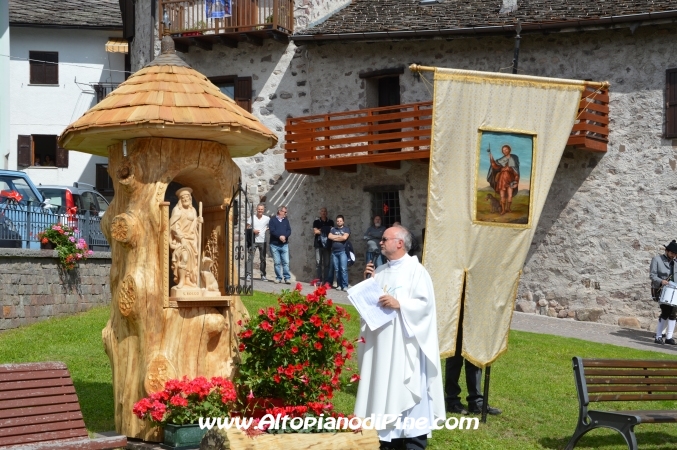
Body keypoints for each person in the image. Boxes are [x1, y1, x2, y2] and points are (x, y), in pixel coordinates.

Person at [359, 225, 445, 450]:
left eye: (385, 239)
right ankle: (388, 442)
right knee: (384, 400)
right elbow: (370, 310)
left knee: (408, 401)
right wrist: (368, 283)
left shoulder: (417, 272)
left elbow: (426, 307)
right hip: (383, 348)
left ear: (400, 243)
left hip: (406, 351)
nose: (380, 242)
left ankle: (414, 443)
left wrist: (401, 304)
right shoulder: (381, 272)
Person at [444, 302, 502, 416]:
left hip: (476, 309)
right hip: (457, 308)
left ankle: (476, 401)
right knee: (455, 356)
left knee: (475, 355)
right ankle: (452, 400)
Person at [169, 187, 202, 290]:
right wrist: (182, 238)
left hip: (192, 240)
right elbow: (174, 226)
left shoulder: (193, 210)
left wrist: (198, 221)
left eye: (187, 197)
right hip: (181, 240)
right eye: (183, 197)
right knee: (184, 258)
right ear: (180, 200)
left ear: (190, 198)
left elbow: (194, 226)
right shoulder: (177, 210)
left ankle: (188, 280)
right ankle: (181, 281)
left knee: (191, 262)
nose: (185, 199)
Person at [651, 240, 677, 345]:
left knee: (673, 314)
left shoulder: (675, 262)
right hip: (661, 289)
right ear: (666, 251)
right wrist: (661, 281)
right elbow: (652, 275)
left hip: (674, 291)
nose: (673, 255)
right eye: (672, 253)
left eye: (675, 254)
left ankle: (669, 337)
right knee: (665, 312)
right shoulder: (657, 259)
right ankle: (658, 336)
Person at [487, 144, 520, 215]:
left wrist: (516, 181)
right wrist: (491, 158)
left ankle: (508, 208)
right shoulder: (501, 160)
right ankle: (503, 210)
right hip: (502, 180)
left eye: (506, 149)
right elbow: (495, 166)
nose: (504, 151)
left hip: (511, 180)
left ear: (509, 150)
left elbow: (516, 172)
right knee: (502, 196)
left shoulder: (514, 158)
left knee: (510, 195)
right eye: (503, 150)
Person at [246, 203, 270, 282]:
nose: (260, 210)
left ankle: (263, 275)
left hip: (263, 241)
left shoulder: (267, 218)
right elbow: (247, 227)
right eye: (259, 209)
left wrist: (267, 229)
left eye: (261, 209)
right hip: (253, 241)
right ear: (256, 209)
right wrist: (253, 230)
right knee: (250, 258)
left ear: (264, 210)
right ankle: (248, 275)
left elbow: (272, 226)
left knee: (263, 259)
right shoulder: (252, 217)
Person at [268, 205, 291, 284]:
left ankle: (287, 278)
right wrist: (279, 236)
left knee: (286, 262)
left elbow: (289, 230)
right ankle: (278, 277)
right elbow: (272, 231)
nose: (286, 213)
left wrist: (285, 236)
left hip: (284, 245)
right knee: (277, 262)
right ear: (280, 211)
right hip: (274, 245)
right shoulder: (272, 220)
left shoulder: (286, 221)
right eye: (285, 212)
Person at [313, 207, 334, 286]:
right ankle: (319, 280)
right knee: (318, 263)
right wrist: (326, 229)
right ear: (320, 213)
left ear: (327, 213)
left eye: (325, 211)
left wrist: (321, 230)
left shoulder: (330, 221)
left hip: (327, 245)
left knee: (327, 264)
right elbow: (315, 232)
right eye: (322, 211)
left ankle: (326, 281)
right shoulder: (316, 222)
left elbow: (332, 232)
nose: (323, 212)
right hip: (318, 245)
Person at [328, 215, 350, 291]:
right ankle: (339, 285)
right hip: (334, 252)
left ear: (343, 221)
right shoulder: (333, 229)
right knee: (337, 269)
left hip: (342, 251)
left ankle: (345, 286)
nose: (339, 222)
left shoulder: (346, 229)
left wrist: (335, 237)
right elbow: (329, 236)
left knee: (343, 269)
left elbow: (344, 238)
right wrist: (339, 237)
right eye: (337, 221)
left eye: (340, 221)